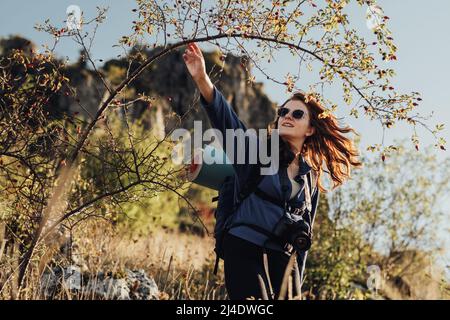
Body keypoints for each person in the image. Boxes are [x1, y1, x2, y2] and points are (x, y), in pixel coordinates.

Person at [183, 42, 362, 300]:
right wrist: (202, 79)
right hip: (243, 246)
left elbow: (304, 239)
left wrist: (295, 284)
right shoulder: (256, 152)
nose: (287, 116)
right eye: (283, 111)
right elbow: (226, 120)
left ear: (310, 128)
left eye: (297, 114)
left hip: (284, 258)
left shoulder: (309, 178)